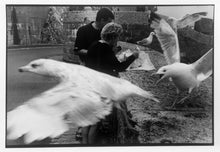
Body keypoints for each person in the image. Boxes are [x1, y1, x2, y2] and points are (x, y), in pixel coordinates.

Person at [85, 22, 139, 144]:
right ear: (113, 36)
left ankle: (83, 144)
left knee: (87, 123)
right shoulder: (105, 48)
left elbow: (101, 63)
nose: (118, 40)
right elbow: (119, 67)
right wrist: (133, 56)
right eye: (118, 37)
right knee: (95, 124)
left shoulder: (95, 45)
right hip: (99, 89)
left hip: (89, 85)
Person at [73, 7, 115, 144]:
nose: (110, 25)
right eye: (108, 22)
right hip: (87, 71)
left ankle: (95, 126)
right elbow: (78, 50)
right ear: (102, 20)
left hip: (101, 73)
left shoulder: (107, 32)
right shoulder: (83, 30)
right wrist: (95, 53)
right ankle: (83, 129)